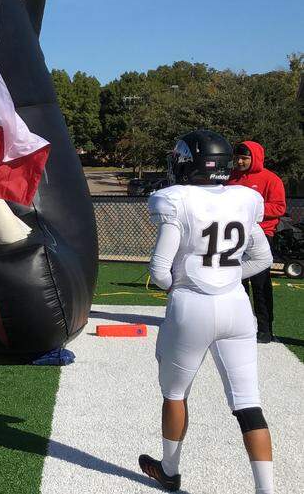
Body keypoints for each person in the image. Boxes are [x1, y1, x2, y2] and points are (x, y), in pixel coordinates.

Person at [139, 130, 275, 493]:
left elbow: (159, 271)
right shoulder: (244, 199)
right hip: (236, 306)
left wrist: (186, 284)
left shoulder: (176, 200)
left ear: (190, 163)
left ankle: (169, 470)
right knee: (248, 404)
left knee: (175, 393)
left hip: (192, 307)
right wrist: (227, 277)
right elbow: (262, 257)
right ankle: (266, 490)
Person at [228, 140, 286, 343]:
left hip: (261, 236)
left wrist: (252, 212)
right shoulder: (231, 178)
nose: (240, 161)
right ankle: (239, 326)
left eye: (244, 157)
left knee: (260, 284)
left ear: (255, 157)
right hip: (235, 237)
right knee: (236, 282)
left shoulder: (271, 179)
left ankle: (265, 328)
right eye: (237, 157)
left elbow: (279, 207)